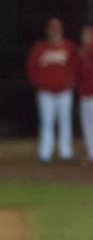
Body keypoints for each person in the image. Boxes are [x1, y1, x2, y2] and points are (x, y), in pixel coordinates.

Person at [25, 16, 78, 163]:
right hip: (45, 92)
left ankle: (65, 153)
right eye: (52, 29)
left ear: (61, 30)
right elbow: (31, 67)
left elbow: (75, 66)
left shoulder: (68, 46)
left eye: (57, 29)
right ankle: (45, 153)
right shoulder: (39, 47)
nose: (54, 32)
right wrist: (37, 83)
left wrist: (72, 81)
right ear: (47, 31)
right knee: (46, 122)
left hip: (64, 91)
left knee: (65, 121)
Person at [76, 25, 93, 163]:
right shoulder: (80, 52)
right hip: (85, 95)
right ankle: (91, 154)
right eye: (84, 34)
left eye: (88, 34)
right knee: (87, 127)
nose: (86, 37)